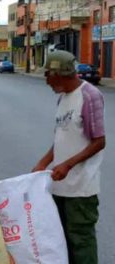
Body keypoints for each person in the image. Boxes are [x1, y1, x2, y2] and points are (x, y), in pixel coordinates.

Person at [32, 50, 105, 264]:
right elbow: (62, 138)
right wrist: (44, 162)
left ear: (60, 74)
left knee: (81, 242)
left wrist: (67, 165)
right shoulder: (63, 98)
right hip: (59, 186)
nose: (46, 81)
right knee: (61, 241)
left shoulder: (89, 96)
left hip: (81, 189)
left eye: (48, 75)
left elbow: (99, 141)